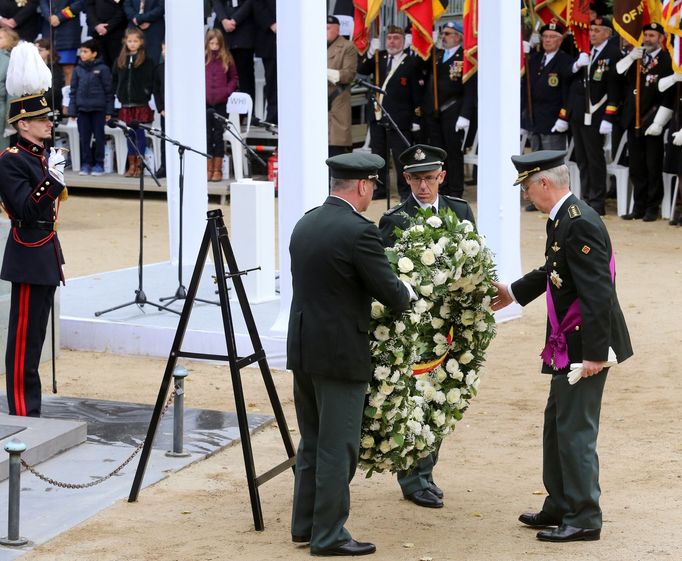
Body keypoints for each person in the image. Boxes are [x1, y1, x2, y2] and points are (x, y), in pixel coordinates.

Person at [492, 150, 633, 542]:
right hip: (566, 340)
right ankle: (560, 502)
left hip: (583, 343)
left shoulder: (579, 223)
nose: (525, 196)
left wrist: (593, 354)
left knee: (575, 430)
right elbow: (554, 270)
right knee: (557, 425)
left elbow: (597, 292)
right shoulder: (563, 220)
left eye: (526, 187)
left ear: (544, 183)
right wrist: (514, 292)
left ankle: (585, 515)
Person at [287, 152, 413, 557]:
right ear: (361, 185)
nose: (372, 194)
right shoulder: (359, 231)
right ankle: (328, 536)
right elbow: (390, 293)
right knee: (338, 447)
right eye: (373, 187)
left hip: (305, 348)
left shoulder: (306, 222)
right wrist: (408, 291)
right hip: (340, 354)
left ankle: (305, 524)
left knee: (311, 441)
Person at [378, 144, 475, 508]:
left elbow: (473, 259)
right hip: (413, 327)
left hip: (451, 323)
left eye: (429, 179)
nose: (423, 187)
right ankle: (413, 477)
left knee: (443, 399)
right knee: (415, 400)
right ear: (405, 178)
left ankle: (426, 471)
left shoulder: (459, 211)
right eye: (416, 179)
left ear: (442, 177)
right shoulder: (394, 220)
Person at [0, 43, 67, 417]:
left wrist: (51, 174)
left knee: (37, 335)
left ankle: (32, 405)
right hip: (28, 249)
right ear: (22, 123)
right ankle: (24, 409)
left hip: (44, 251)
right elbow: (26, 208)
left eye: (48, 118)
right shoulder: (10, 162)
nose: (49, 123)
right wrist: (52, 182)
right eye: (41, 119)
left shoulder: (39, 156)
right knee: (24, 337)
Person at [616, 22, 675, 222]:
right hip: (634, 120)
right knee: (636, 166)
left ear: (660, 38)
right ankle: (638, 206)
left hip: (652, 120)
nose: (648, 38)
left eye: (652, 35)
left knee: (652, 165)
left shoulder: (667, 60)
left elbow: (669, 96)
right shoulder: (637, 58)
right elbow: (617, 74)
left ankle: (652, 206)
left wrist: (659, 122)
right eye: (646, 35)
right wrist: (631, 57)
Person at [357, 25, 422, 200]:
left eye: (396, 38)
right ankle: (380, 190)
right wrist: (370, 53)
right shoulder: (379, 57)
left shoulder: (411, 62)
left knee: (401, 157)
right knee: (378, 155)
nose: (392, 41)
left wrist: (416, 117)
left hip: (400, 117)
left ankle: (405, 191)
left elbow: (416, 92)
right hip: (378, 114)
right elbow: (361, 70)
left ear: (403, 41)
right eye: (390, 38)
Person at [566, 15, 622, 216]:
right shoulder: (586, 53)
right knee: (582, 158)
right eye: (591, 30)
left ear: (608, 33)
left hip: (598, 114)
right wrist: (577, 65)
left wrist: (609, 117)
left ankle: (598, 201)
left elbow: (614, 87)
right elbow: (571, 80)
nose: (592, 34)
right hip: (580, 114)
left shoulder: (613, 53)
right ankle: (587, 198)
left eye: (597, 31)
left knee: (595, 159)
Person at [422, 21, 476, 199]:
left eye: (448, 33)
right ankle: (441, 188)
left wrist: (465, 115)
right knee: (438, 153)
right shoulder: (436, 54)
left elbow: (470, 89)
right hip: (434, 112)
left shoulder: (465, 57)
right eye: (442, 33)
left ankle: (455, 191)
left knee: (453, 153)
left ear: (459, 36)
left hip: (454, 110)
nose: (443, 36)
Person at [112, 27, 155, 178]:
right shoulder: (120, 60)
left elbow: (151, 81)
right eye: (129, 41)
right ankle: (131, 165)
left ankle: (139, 165)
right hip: (125, 103)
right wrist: (118, 92)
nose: (132, 44)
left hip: (140, 103)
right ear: (125, 41)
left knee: (140, 134)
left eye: (135, 41)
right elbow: (115, 79)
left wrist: (145, 92)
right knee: (129, 134)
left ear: (141, 42)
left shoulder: (147, 61)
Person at [69, 39, 114, 176]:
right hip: (82, 110)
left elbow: (109, 91)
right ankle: (86, 163)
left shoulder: (103, 69)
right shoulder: (77, 69)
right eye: (81, 51)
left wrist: (109, 111)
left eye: (85, 51)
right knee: (84, 138)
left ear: (94, 53)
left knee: (99, 138)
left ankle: (99, 164)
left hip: (98, 110)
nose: (82, 54)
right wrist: (72, 110)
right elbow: (73, 91)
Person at [204, 28, 237, 182]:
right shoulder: (203, 58)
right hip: (205, 102)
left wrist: (227, 91)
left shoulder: (226, 59)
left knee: (218, 135)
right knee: (207, 135)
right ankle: (208, 168)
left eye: (217, 43)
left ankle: (217, 169)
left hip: (221, 102)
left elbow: (233, 77)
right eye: (211, 43)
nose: (214, 46)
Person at [212, 0, 255, 106]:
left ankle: (247, 114)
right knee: (221, 74)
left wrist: (235, 20)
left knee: (245, 76)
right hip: (223, 29)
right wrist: (223, 19)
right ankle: (222, 113)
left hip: (244, 28)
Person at [326, 15, 357, 157]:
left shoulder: (347, 46)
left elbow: (348, 74)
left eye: (327, 28)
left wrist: (325, 72)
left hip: (336, 103)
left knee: (335, 151)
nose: (323, 32)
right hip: (317, 104)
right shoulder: (313, 45)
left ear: (337, 30)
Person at [39, 0, 83, 88]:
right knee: (47, 68)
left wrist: (60, 17)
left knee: (68, 69)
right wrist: (49, 16)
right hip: (49, 30)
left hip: (68, 31)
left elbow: (79, 4)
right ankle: (49, 97)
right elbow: (43, 3)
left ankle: (66, 99)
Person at [252, 0, 276, 124]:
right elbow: (258, 5)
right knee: (271, 80)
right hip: (269, 38)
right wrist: (271, 24)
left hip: (291, 40)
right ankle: (272, 115)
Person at [85, 0, 128, 68]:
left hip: (117, 33)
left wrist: (108, 27)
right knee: (99, 66)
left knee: (117, 65)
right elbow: (89, 7)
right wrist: (96, 25)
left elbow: (123, 10)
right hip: (97, 34)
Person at [123, 0, 164, 66]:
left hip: (154, 29)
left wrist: (142, 19)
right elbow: (127, 5)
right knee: (133, 62)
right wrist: (136, 19)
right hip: (134, 28)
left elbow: (161, 7)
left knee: (153, 61)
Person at [0, 28, 19, 151]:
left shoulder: (10, 61)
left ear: (11, 42)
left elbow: (12, 95)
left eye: (1, 38)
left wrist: (9, 122)